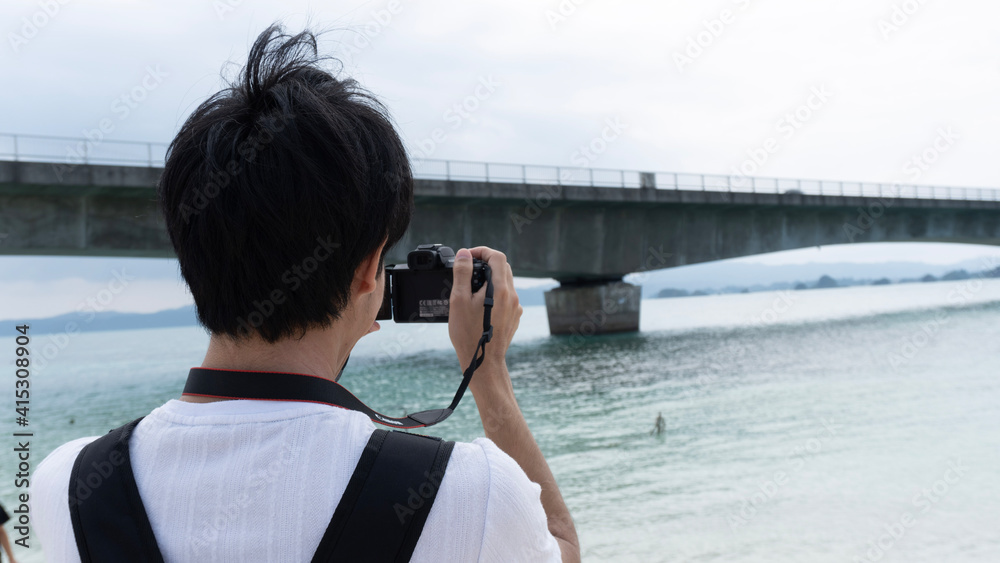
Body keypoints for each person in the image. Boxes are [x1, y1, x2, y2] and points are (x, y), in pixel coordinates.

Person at [32, 24, 579, 562]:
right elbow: (563, 549)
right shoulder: (470, 494)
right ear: (369, 270)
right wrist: (488, 373)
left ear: (192, 250)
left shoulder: (67, 487)